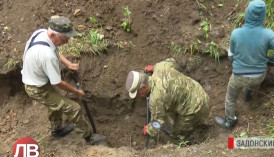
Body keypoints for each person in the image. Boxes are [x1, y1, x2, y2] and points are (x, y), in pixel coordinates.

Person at [21, 16, 105, 145]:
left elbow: (56, 52)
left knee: (55, 105)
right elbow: (58, 83)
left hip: (38, 79)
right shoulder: (46, 55)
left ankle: (57, 131)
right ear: (54, 34)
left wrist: (68, 64)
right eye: (65, 38)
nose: (67, 41)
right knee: (74, 108)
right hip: (37, 89)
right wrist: (77, 92)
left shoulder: (42, 34)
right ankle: (89, 137)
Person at [215, 0, 274, 130]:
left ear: (247, 14)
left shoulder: (236, 33)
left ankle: (229, 121)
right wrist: (272, 60)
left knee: (230, 97)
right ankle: (248, 95)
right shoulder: (268, 34)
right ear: (263, 16)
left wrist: (238, 63)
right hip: (259, 75)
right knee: (253, 83)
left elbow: (231, 56)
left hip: (239, 75)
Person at [125, 59, 210, 140]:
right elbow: (171, 61)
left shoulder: (156, 100)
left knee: (176, 134)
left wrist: (149, 129)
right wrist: (153, 67)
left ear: (144, 87)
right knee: (169, 109)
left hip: (195, 108)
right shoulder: (160, 67)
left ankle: (184, 139)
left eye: (137, 93)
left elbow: (158, 123)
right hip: (199, 91)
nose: (139, 96)